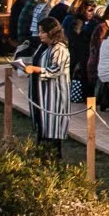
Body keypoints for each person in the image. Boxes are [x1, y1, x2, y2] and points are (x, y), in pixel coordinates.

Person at [21, 17, 73, 164]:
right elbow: (36, 61)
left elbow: (55, 70)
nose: (40, 35)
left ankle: (54, 161)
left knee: (52, 129)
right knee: (42, 128)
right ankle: (41, 159)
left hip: (54, 95)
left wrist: (34, 69)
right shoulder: (45, 47)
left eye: (43, 32)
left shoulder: (59, 49)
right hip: (41, 93)